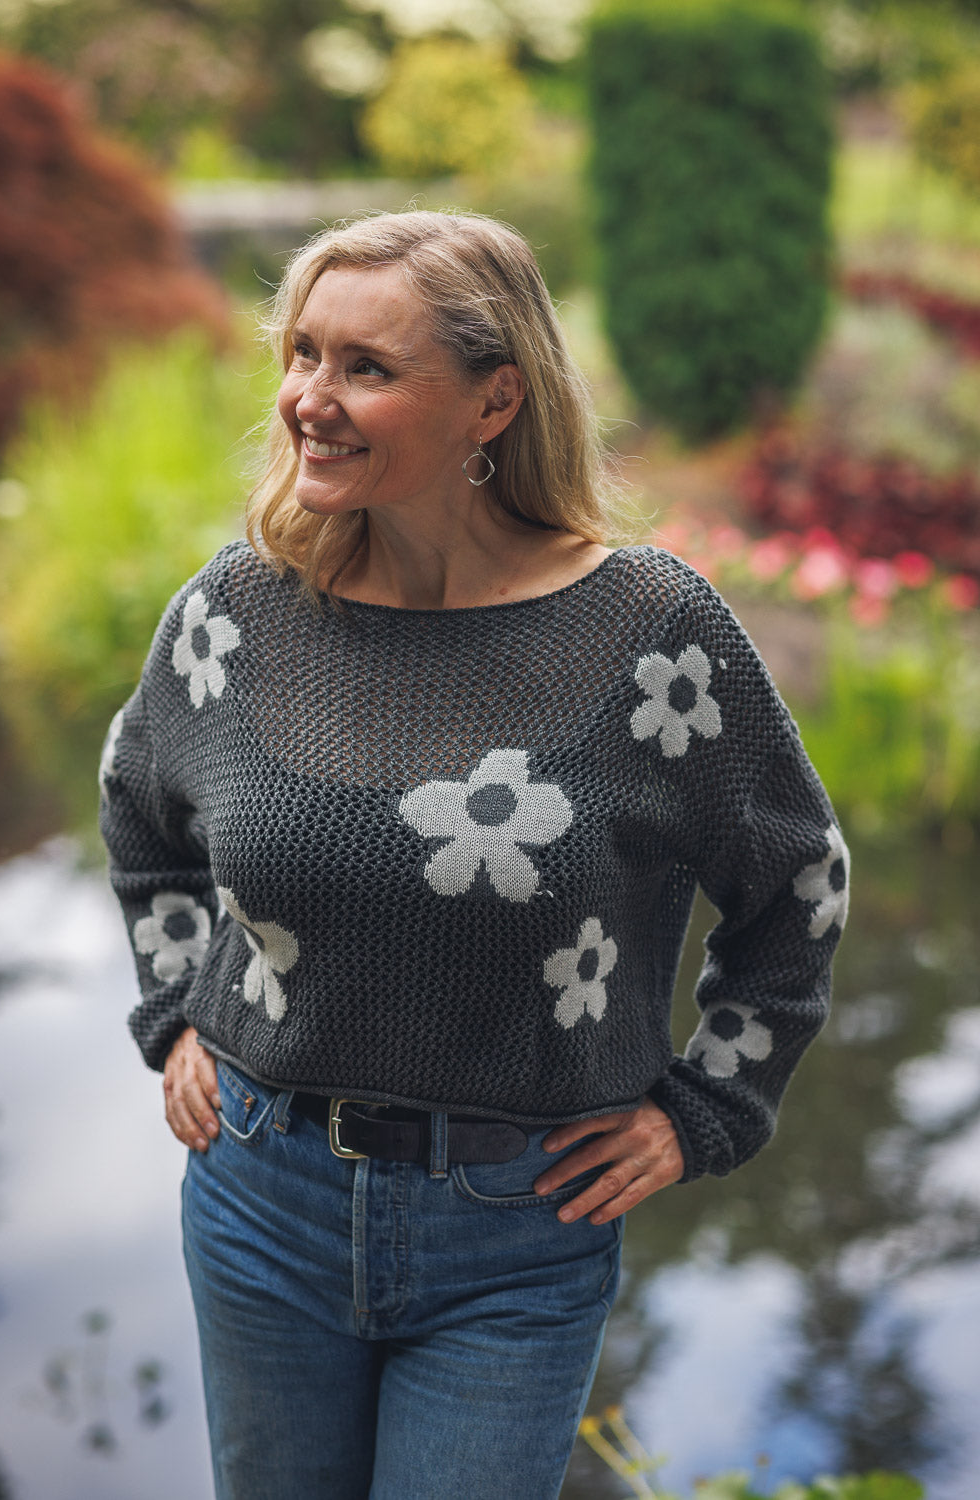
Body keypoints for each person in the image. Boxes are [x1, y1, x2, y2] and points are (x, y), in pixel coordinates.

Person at [99, 209, 850, 1500]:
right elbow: (138, 812)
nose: (308, 399)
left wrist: (706, 1108)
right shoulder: (236, 612)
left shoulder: (653, 633)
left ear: (494, 400)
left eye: (366, 368)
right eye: (302, 353)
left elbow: (799, 885)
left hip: (518, 1235)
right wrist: (175, 1014)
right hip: (259, 1197)